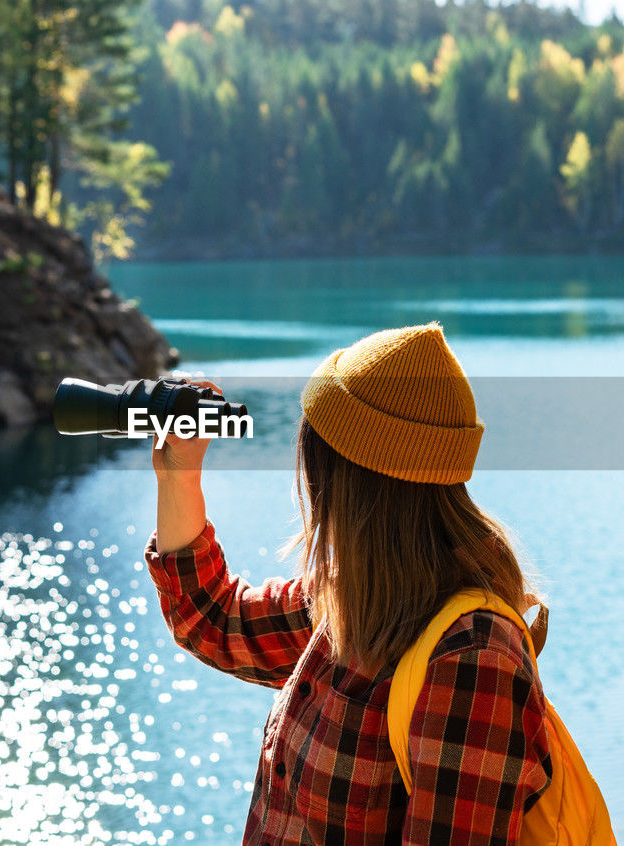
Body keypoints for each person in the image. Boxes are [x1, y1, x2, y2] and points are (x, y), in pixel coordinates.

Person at [144, 322, 553, 845]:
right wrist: (178, 475)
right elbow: (214, 620)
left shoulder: (473, 659)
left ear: (348, 476)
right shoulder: (353, 595)